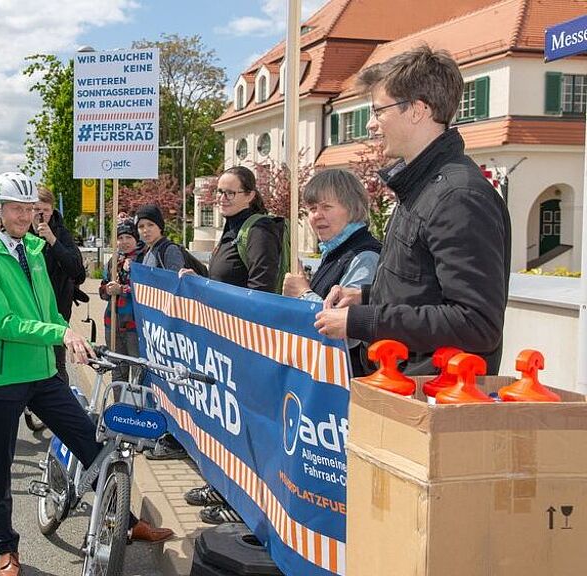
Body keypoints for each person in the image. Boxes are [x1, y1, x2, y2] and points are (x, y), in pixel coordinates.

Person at [0, 172, 172, 576]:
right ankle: (7, 550)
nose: (24, 216)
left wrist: (74, 340)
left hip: (43, 371)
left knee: (92, 444)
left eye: (29, 209)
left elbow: (49, 310)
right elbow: (3, 323)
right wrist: (60, 332)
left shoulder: (35, 251)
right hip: (2, 377)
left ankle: (126, 524)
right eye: (15, 209)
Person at [314, 45, 511, 375]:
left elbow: (476, 322)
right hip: (403, 391)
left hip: (430, 399)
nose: (371, 125)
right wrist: (365, 296)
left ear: (418, 110)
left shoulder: (458, 196)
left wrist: (364, 320)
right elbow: (421, 287)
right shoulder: (423, 187)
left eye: (378, 111)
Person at [179, 165, 285, 524]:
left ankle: (242, 502)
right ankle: (222, 482)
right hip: (226, 343)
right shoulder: (232, 228)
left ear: (250, 196)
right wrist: (201, 279)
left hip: (246, 345)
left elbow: (260, 288)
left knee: (245, 424)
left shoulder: (257, 231)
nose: (222, 199)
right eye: (219, 193)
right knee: (223, 420)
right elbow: (228, 279)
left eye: (230, 193)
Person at [282, 168, 381, 374]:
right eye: (311, 208)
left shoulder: (365, 256)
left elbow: (347, 330)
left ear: (352, 208)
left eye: (326, 207)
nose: (317, 215)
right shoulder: (335, 251)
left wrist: (303, 293)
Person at [134, 204, 189, 461]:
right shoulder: (147, 252)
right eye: (141, 227)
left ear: (160, 227)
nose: (145, 231)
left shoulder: (169, 250)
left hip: (167, 331)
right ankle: (152, 429)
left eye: (149, 226)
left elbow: (174, 284)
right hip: (153, 331)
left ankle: (167, 436)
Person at [31, 186, 86, 384]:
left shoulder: (61, 234)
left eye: (45, 210)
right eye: (36, 209)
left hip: (57, 308)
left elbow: (77, 271)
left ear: (52, 210)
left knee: (56, 362)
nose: (40, 215)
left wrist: (52, 240)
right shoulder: (19, 234)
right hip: (28, 309)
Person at [99, 219, 145, 385]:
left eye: (128, 237)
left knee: (138, 373)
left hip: (134, 326)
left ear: (135, 238)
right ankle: (119, 408)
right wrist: (107, 290)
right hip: (112, 324)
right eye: (120, 238)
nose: (124, 242)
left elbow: (146, 292)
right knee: (117, 371)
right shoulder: (113, 260)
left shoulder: (143, 260)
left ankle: (136, 409)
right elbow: (102, 289)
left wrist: (123, 290)